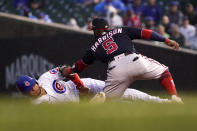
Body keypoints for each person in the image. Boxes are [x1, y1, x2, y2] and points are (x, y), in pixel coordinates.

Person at [61, 18, 183, 103]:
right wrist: (165, 40)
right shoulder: (121, 30)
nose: (93, 32)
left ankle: (98, 103)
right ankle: (175, 98)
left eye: (93, 29)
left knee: (107, 101)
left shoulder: (94, 47)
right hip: (134, 59)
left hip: (115, 70)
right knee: (164, 72)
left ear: (97, 30)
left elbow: (81, 65)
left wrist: (70, 70)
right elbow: (146, 33)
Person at [16, 67, 171, 104]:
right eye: (29, 90)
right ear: (25, 94)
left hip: (79, 86)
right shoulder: (38, 104)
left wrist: (79, 84)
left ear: (35, 81)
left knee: (123, 92)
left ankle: (161, 102)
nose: (34, 90)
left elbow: (65, 69)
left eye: (33, 86)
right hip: (78, 105)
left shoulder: (44, 78)